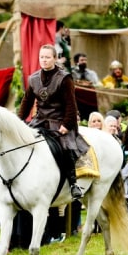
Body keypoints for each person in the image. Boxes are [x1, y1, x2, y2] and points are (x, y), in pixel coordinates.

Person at [18, 44, 89, 199]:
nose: (44, 60)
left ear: (55, 59)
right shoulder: (34, 78)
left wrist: (66, 125)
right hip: (40, 120)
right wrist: (18, 121)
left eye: (47, 57)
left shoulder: (65, 78)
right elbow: (27, 102)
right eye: (41, 57)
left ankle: (73, 183)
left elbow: (71, 105)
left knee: (65, 148)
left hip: (60, 120)